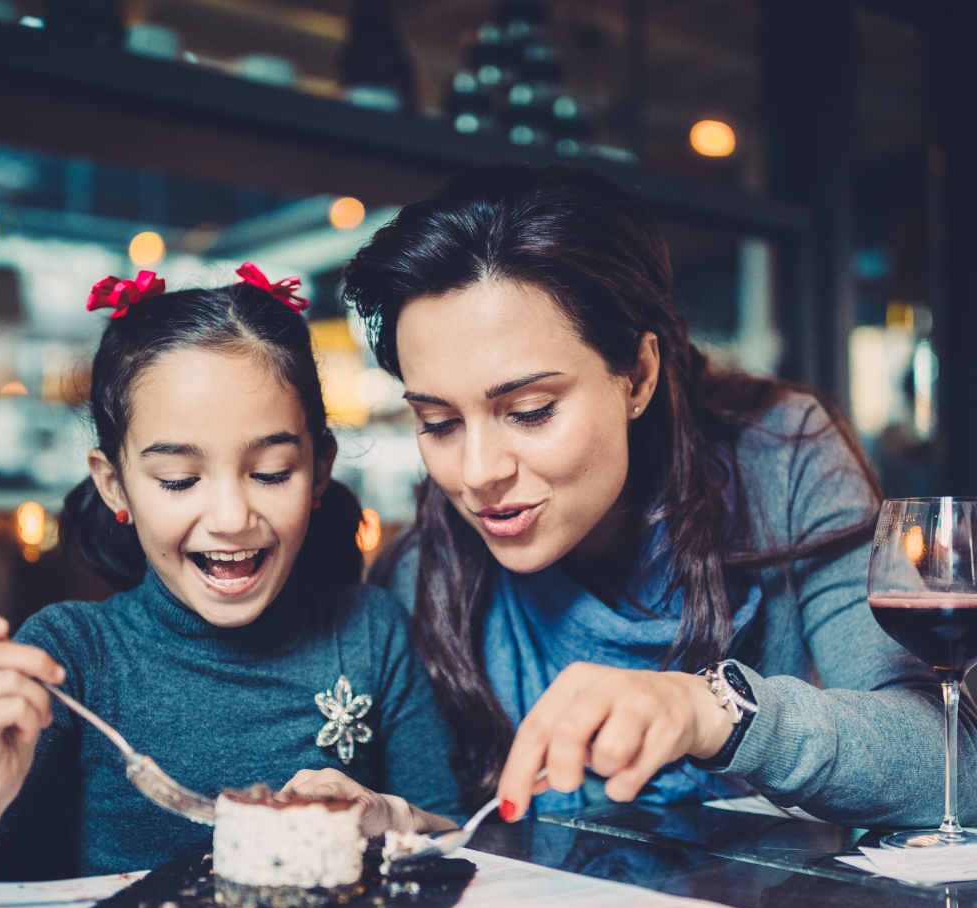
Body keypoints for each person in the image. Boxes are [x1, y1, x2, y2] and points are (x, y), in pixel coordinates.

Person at [342, 163, 977, 828]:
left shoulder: (783, 457)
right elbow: (458, 831)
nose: (475, 473)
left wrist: (711, 710)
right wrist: (390, 820)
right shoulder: (424, 575)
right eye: (438, 423)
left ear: (637, 375)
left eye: (529, 411)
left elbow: (951, 766)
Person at [0, 265, 458, 883]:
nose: (229, 518)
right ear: (116, 484)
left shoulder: (371, 631)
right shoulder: (72, 657)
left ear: (320, 469)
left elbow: (461, 843)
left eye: (271, 472)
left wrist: (391, 815)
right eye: (178, 481)